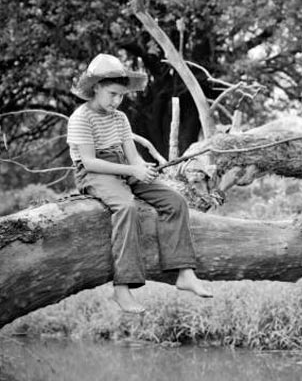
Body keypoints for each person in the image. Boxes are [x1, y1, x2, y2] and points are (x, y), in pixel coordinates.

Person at [67, 53, 213, 313]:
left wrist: (141, 170)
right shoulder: (81, 118)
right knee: (127, 207)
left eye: (121, 96)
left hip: (122, 165)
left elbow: (132, 156)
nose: (117, 101)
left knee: (174, 201)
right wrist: (130, 168)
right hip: (94, 172)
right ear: (96, 87)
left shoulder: (120, 118)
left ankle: (185, 273)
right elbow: (89, 162)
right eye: (112, 94)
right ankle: (122, 288)